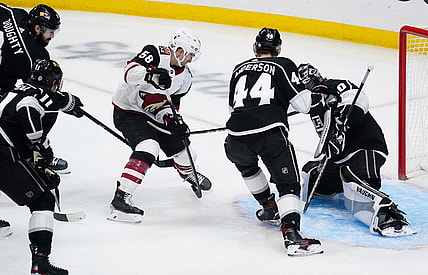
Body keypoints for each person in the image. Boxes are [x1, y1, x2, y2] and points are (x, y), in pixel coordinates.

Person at [224, 27, 323, 256]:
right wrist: (313, 89)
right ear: (278, 50)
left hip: (234, 137)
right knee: (288, 184)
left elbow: (232, 109)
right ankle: (292, 235)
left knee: (247, 166)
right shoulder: (284, 65)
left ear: (255, 48)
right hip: (269, 134)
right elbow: (304, 105)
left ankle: (269, 207)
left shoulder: (238, 69)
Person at [297, 63, 416, 237]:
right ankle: (342, 185)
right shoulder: (312, 106)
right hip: (341, 157)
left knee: (355, 180)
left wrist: (344, 120)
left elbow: (358, 99)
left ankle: (389, 215)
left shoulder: (334, 86)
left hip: (367, 147)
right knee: (312, 175)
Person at [108, 27, 212, 223]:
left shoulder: (186, 79)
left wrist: (172, 121)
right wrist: (150, 75)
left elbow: (168, 105)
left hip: (152, 115)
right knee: (149, 147)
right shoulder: (155, 53)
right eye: (188, 54)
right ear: (178, 50)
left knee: (186, 152)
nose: (190, 59)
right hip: (127, 112)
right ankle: (119, 201)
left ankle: (186, 173)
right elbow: (129, 73)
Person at [0, 59, 82, 274]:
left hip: (5, 149)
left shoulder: (23, 89)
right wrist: (43, 151)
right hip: (2, 153)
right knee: (43, 200)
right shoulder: (33, 97)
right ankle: (41, 263)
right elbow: (28, 114)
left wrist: (39, 165)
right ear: (53, 83)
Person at [0, 3, 73, 173]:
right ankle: (35, 153)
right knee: (40, 108)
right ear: (38, 28)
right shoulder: (37, 56)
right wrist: (63, 101)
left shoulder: (16, 16)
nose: (53, 36)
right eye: (50, 31)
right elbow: (39, 94)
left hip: (4, 87)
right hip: (3, 89)